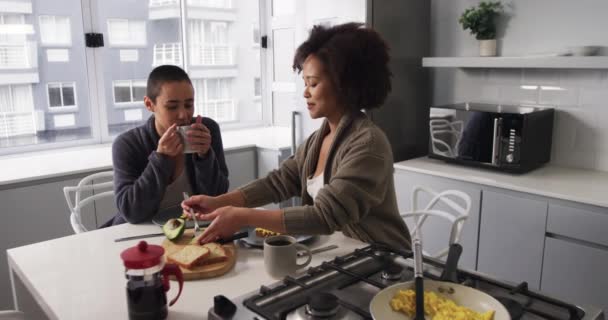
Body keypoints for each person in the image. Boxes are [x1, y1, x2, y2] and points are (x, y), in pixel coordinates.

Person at [182, 23, 411, 249]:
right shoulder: (317, 139)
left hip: (383, 260)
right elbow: (279, 182)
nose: (306, 92)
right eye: (305, 83)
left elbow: (325, 216)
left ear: (345, 84)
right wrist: (218, 203)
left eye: (313, 83)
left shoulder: (368, 145)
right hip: (344, 254)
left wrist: (242, 216)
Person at [105, 65, 229, 226]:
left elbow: (218, 197)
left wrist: (205, 156)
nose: (183, 115)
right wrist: (161, 159)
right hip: (140, 232)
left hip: (193, 227)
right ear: (149, 104)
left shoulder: (207, 130)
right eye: (172, 107)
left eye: (189, 104)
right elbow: (131, 212)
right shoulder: (128, 144)